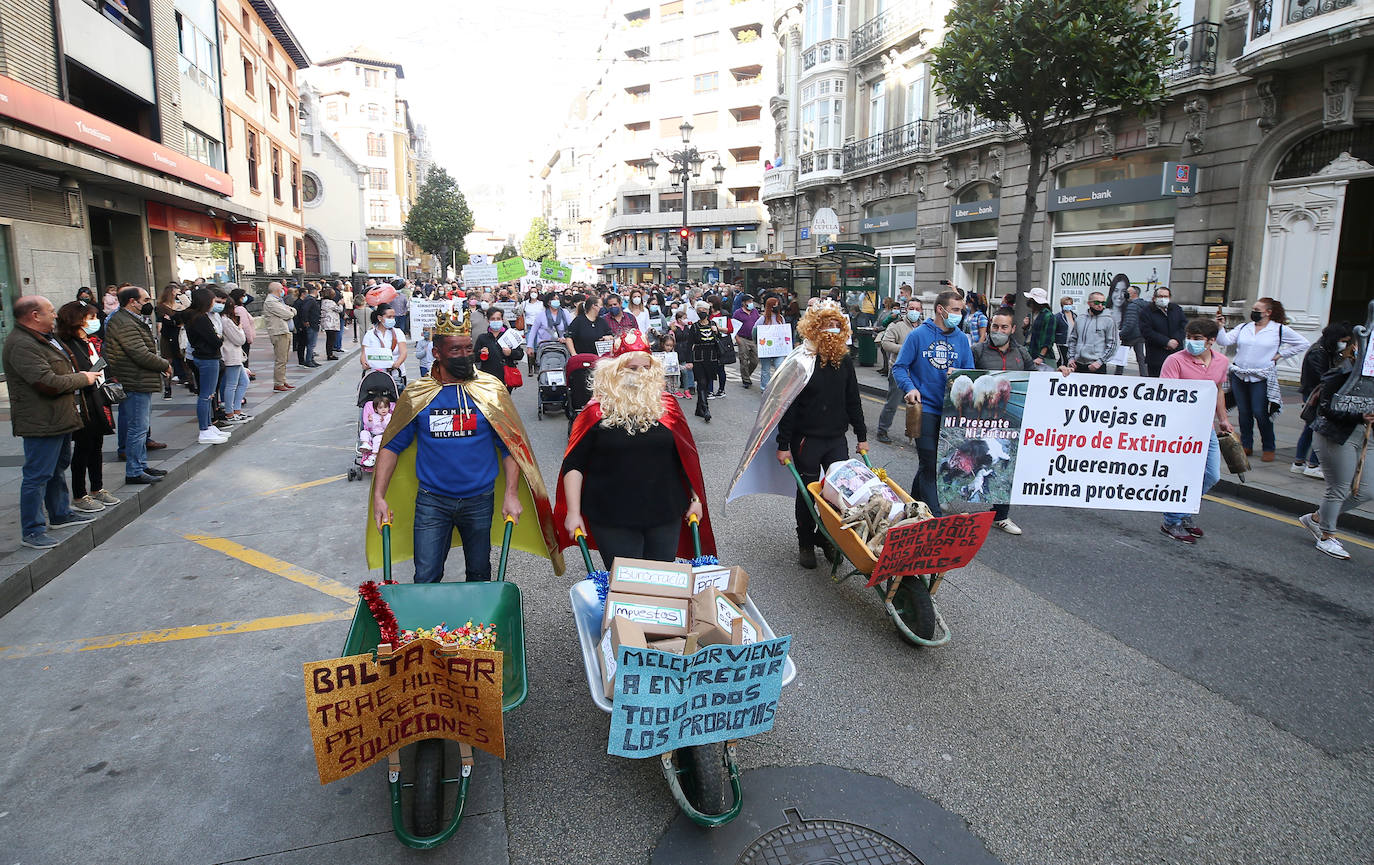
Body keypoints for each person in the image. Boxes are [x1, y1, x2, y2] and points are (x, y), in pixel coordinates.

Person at [369, 309, 565, 583]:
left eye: (467, 348)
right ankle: (430, 626)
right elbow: (391, 446)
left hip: (479, 500)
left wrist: (511, 493)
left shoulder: (490, 390)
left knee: (479, 575)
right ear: (436, 353)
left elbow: (511, 446)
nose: (464, 355)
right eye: (455, 350)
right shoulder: (416, 394)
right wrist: (379, 495)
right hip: (432, 501)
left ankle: (476, 627)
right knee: (426, 576)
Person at [556, 329, 715, 569]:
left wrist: (695, 498)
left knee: (660, 584)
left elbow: (686, 457)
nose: (640, 375)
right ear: (615, 371)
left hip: (665, 511)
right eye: (632, 368)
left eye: (645, 368)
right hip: (612, 515)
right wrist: (573, 512)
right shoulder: (595, 412)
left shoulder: (667, 407)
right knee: (627, 588)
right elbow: (574, 464)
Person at [770, 303, 868, 568]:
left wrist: (861, 435)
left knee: (841, 492)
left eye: (835, 324)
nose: (831, 330)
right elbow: (788, 405)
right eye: (825, 325)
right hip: (807, 440)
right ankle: (805, 540)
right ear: (814, 327)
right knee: (807, 492)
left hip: (836, 438)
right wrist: (783, 445)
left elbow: (853, 399)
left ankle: (827, 536)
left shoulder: (844, 360)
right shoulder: (803, 361)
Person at [3, 295, 101, 548]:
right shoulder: (22, 344)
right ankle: (32, 530)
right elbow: (47, 382)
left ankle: (60, 513)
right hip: (41, 420)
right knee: (37, 475)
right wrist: (83, 378)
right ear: (34, 315)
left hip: (59, 417)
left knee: (56, 469)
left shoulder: (45, 339)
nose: (54, 315)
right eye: (50, 311)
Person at [969, 309, 1050, 536]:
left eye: (1004, 327)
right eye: (995, 326)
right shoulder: (977, 351)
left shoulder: (1021, 354)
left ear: (1013, 329)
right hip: (981, 417)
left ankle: (1001, 515)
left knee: (1004, 462)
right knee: (974, 455)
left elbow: (1036, 380)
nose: (998, 331)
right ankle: (947, 495)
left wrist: (1062, 375)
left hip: (1008, 419)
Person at [892, 289, 973, 516]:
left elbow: (970, 373)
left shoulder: (961, 339)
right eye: (955, 310)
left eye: (961, 310)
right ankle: (935, 518)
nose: (959, 314)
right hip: (924, 409)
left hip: (949, 411)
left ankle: (913, 506)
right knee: (930, 463)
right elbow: (899, 367)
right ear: (941, 309)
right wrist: (910, 388)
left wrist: (959, 375)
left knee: (933, 464)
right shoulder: (918, 336)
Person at [1155, 318, 1233, 544]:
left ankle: (1182, 510)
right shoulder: (1174, 361)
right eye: (1188, 337)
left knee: (1211, 475)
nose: (1190, 343)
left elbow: (1217, 390)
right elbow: (1166, 394)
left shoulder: (1221, 362)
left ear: (1211, 341)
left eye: (1197, 339)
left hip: (1205, 427)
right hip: (1180, 429)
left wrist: (1223, 419)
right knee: (1182, 475)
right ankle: (1172, 520)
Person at [1298, 344, 1373, 560]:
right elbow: (1326, 408)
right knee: (1338, 487)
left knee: (1367, 490)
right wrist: (1359, 417)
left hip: (1366, 437)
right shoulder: (1341, 372)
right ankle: (1327, 536)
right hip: (1335, 435)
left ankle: (1317, 518)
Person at [1215, 297, 1309, 461]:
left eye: (1258, 310)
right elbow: (1225, 341)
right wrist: (1220, 327)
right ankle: (1246, 444)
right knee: (1244, 412)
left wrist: (1281, 355)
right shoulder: (1244, 327)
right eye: (1253, 309)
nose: (1254, 313)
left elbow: (1303, 343)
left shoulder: (1279, 329)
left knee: (1260, 411)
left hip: (1261, 375)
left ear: (1268, 312)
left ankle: (1268, 446)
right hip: (1239, 373)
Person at [103, 286, 172, 482]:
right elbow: (139, 353)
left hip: (139, 378)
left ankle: (140, 465)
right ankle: (134, 470)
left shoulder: (130, 320)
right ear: (132, 301)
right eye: (145, 299)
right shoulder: (124, 322)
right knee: (137, 427)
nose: (148, 303)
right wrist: (164, 364)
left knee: (140, 427)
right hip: (134, 379)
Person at [55, 301, 119, 513]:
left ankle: (97, 488)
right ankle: (79, 494)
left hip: (97, 397)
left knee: (97, 446)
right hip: (81, 401)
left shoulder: (90, 342)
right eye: (90, 318)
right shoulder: (66, 345)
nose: (95, 322)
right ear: (76, 320)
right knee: (83, 447)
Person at [1293, 323, 1353, 479]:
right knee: (1319, 428)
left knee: (1310, 428)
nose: (1344, 344)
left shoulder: (1327, 350)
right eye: (1343, 340)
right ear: (1335, 339)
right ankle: (1312, 464)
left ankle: (1299, 463)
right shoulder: (1318, 352)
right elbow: (1326, 378)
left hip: (1318, 393)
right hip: (1316, 395)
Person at [183, 288, 228, 445]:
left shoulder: (196, 316)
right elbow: (215, 340)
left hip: (206, 356)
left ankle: (208, 426)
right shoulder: (200, 318)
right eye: (213, 301)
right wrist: (219, 338)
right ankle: (204, 429)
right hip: (207, 357)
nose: (214, 304)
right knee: (206, 395)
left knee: (208, 395)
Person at [875, 297, 923, 444]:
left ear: (921, 311)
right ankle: (882, 430)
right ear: (906, 309)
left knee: (918, 406)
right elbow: (885, 343)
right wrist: (905, 349)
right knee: (893, 403)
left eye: (917, 309)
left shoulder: (924, 328)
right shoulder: (897, 325)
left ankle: (915, 434)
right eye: (911, 308)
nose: (914, 311)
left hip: (917, 372)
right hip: (899, 371)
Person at [679, 301, 725, 422]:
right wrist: (689, 361)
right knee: (702, 382)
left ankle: (699, 409)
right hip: (699, 358)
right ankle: (706, 409)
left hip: (711, 358)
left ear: (708, 311)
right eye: (700, 311)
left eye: (704, 311)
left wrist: (716, 332)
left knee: (707, 382)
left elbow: (719, 340)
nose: (702, 313)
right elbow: (689, 345)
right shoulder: (694, 327)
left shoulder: (713, 324)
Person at [1065, 291, 1119, 374]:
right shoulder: (1080, 318)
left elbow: (1113, 344)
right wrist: (1071, 358)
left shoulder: (1109, 320)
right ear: (1089, 303)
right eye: (1097, 302)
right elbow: (1073, 339)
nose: (1100, 305)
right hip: (1077, 364)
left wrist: (1100, 362)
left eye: (1103, 303)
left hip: (1096, 365)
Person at [1138, 286, 1187, 378]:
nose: (1163, 299)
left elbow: (1184, 326)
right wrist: (1166, 342)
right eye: (1160, 296)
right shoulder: (1146, 312)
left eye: (1165, 296)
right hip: (1156, 356)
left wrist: (1176, 340)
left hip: (1176, 353)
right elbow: (1146, 331)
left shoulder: (1176, 309)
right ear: (1154, 298)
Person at [219, 293, 250, 424]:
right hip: (230, 355)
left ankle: (236, 409)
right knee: (231, 384)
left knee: (244, 381)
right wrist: (240, 328)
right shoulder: (226, 321)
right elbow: (239, 339)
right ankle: (229, 412)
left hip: (235, 356)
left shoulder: (226, 320)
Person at [474, 307, 524, 389]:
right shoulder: (483, 338)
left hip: (506, 376)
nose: (496, 321)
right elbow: (474, 357)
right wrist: (481, 353)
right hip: (488, 377)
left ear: (502, 319)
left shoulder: (509, 336)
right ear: (488, 321)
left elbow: (520, 354)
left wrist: (510, 353)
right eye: (493, 319)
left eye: (498, 319)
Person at [361, 303, 408, 387]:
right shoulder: (370, 334)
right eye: (389, 317)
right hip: (376, 375)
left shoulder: (398, 332)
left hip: (396, 375)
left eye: (393, 317)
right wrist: (364, 363)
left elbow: (403, 352)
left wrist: (397, 363)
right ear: (380, 318)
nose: (392, 319)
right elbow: (364, 353)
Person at [262, 281, 297, 392]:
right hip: (278, 332)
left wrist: (289, 310)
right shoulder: (271, 302)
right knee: (281, 359)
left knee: (285, 358)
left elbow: (293, 310)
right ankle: (278, 382)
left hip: (284, 331)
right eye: (282, 288)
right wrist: (289, 311)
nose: (283, 290)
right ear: (277, 290)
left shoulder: (278, 301)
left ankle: (282, 379)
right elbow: (287, 314)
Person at [155, 284, 188, 386]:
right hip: (168, 335)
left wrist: (182, 298)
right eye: (176, 292)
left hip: (180, 334)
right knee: (168, 359)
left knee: (183, 357)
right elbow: (164, 321)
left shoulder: (180, 305)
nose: (177, 294)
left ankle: (187, 380)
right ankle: (168, 386)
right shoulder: (161, 307)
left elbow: (188, 312)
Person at [756, 295, 788, 392]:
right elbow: (754, 330)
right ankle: (765, 389)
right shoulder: (763, 319)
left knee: (779, 368)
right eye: (775, 305)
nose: (777, 307)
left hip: (778, 348)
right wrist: (757, 342)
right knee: (765, 370)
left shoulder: (781, 318)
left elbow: (784, 331)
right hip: (767, 349)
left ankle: (778, 388)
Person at [1117, 285, 1150, 374]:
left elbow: (1129, 324)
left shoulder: (1132, 306)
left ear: (1134, 294)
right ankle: (1145, 376)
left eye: (1128, 292)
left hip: (1130, 336)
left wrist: (1121, 334)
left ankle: (1117, 376)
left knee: (1121, 358)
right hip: (1140, 335)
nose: (1126, 294)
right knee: (1141, 358)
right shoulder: (1145, 305)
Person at [732, 294, 761, 390]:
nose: (751, 303)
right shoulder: (738, 313)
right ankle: (746, 380)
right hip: (742, 338)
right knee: (743, 359)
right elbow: (734, 327)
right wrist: (737, 339)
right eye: (749, 302)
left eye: (752, 301)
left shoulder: (755, 312)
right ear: (743, 303)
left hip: (752, 339)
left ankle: (746, 374)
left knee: (755, 360)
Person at [228, 287, 257, 380]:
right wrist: (249, 338)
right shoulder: (240, 309)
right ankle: (245, 375)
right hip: (243, 337)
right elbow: (245, 326)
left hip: (238, 336)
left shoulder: (235, 308)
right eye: (243, 296)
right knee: (244, 357)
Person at [1024, 287, 1058, 367]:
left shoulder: (1048, 316)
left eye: (1031, 300)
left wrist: (1041, 356)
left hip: (1042, 355)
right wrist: (1025, 326)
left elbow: (1049, 339)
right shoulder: (1031, 314)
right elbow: (1028, 335)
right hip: (1030, 351)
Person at [359, 395, 392, 468]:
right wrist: (369, 421)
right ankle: (365, 444)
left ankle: (374, 456)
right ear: (376, 409)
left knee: (377, 439)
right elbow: (369, 427)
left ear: (388, 408)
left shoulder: (389, 416)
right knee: (363, 432)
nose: (383, 410)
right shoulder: (373, 416)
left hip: (382, 435)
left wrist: (383, 422)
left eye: (385, 407)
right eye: (380, 408)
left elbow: (388, 427)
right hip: (372, 433)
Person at [296, 284, 321, 368]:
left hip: (313, 323)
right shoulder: (310, 300)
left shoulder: (310, 300)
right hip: (312, 324)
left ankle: (311, 359)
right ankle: (308, 360)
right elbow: (305, 310)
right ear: (315, 291)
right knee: (311, 344)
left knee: (311, 343)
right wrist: (305, 320)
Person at [1053, 295, 1076, 368]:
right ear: (1062, 305)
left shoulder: (1074, 316)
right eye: (1066, 304)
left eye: (1070, 304)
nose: (1068, 306)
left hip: (1071, 341)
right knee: (1064, 359)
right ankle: (1061, 371)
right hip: (1062, 341)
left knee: (1066, 358)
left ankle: (1057, 368)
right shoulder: (1058, 316)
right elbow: (1054, 329)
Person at [321, 288, 342, 361]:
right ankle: (330, 354)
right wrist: (340, 304)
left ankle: (329, 353)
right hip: (331, 323)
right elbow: (339, 309)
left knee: (329, 339)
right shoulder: (331, 302)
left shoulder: (323, 302)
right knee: (331, 340)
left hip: (326, 323)